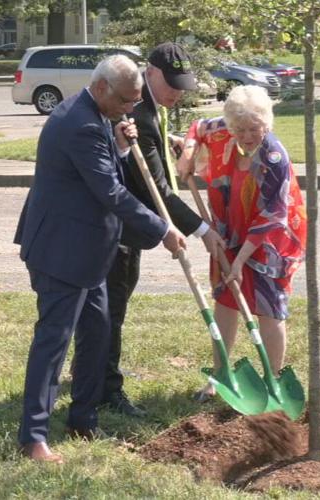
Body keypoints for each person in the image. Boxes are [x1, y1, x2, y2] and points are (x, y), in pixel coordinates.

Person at [13, 55, 187, 463]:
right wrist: (163, 229)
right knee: (53, 343)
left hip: (89, 251)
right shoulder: (81, 124)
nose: (130, 109)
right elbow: (110, 191)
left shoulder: (97, 114)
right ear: (102, 87)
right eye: (126, 101)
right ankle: (33, 438)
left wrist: (122, 147)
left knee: (98, 333)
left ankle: (83, 419)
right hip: (61, 251)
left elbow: (103, 170)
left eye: (135, 102)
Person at [99, 42, 224, 418]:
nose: (177, 92)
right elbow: (158, 189)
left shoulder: (150, 108)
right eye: (171, 84)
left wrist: (167, 141)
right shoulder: (137, 110)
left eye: (182, 85)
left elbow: (148, 144)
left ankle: (95, 369)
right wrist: (203, 229)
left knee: (112, 304)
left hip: (128, 224)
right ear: (150, 72)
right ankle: (107, 388)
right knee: (112, 308)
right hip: (118, 228)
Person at [176, 85, 306, 402]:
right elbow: (198, 127)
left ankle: (273, 381)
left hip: (271, 240)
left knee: (269, 308)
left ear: (266, 123)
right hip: (229, 231)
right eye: (241, 129)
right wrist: (189, 153)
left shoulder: (274, 158)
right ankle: (219, 376)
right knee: (226, 300)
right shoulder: (225, 130)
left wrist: (239, 261)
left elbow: (271, 216)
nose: (247, 136)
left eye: (254, 128)